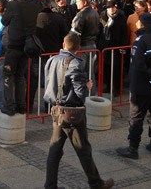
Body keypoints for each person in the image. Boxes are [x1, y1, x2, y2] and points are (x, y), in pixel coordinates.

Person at [43, 32, 114, 189]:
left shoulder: (52, 60)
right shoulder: (76, 63)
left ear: (64, 44)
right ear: (79, 48)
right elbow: (80, 92)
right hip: (72, 112)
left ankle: (50, 186)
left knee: (55, 150)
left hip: (57, 110)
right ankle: (96, 183)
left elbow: (48, 83)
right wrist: (87, 86)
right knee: (83, 149)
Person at [116, 13, 151, 159]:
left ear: (141, 24)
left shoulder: (140, 41)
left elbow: (139, 65)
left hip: (142, 86)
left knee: (136, 118)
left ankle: (133, 148)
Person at [1, 0, 43, 116]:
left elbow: (4, 21)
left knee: (8, 76)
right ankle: (21, 106)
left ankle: (9, 106)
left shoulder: (13, 5)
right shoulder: (35, 5)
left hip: (14, 45)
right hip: (27, 46)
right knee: (20, 76)